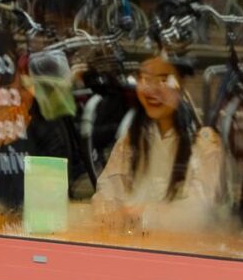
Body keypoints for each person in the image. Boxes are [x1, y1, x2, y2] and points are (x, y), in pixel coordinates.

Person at [92, 54, 224, 234]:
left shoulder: (204, 143)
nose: (152, 89)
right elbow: (107, 189)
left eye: (163, 80)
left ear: (180, 86)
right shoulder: (132, 139)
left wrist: (142, 214)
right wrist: (109, 210)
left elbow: (199, 212)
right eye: (146, 79)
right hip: (128, 242)